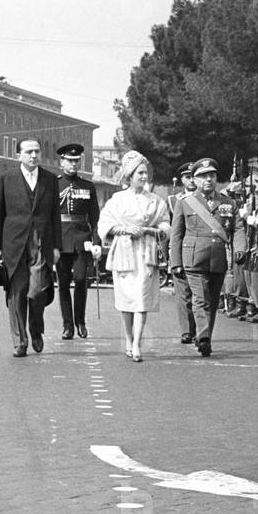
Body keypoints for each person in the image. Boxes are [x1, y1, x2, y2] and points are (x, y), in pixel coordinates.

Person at [0, 139, 62, 357]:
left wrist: (57, 246)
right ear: (18, 155)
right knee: (16, 293)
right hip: (13, 245)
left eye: (37, 151)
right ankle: (20, 341)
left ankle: (36, 328)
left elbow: (55, 217)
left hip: (41, 243)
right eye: (29, 152)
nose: (34, 155)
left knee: (38, 291)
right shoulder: (6, 179)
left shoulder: (50, 179)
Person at [98, 151, 171, 362]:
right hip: (124, 252)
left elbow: (165, 224)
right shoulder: (117, 200)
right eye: (139, 173)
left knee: (141, 298)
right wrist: (125, 230)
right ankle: (128, 338)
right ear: (129, 176)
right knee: (126, 300)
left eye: (145, 172)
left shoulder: (156, 201)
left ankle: (138, 343)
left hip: (146, 253)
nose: (144, 176)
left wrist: (154, 231)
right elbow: (104, 225)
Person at [170, 157, 237, 357]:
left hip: (217, 258)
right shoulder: (185, 203)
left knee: (213, 301)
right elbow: (176, 235)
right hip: (194, 258)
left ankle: (205, 334)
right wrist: (175, 263)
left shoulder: (227, 202)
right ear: (195, 180)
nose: (208, 179)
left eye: (212, 175)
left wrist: (240, 249)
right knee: (200, 299)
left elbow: (238, 228)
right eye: (203, 176)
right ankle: (204, 336)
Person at [55, 143, 101, 340]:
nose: (73, 164)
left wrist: (96, 241)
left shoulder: (88, 186)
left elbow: (95, 218)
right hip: (61, 239)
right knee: (63, 284)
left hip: (82, 239)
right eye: (69, 161)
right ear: (61, 162)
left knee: (82, 280)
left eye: (76, 161)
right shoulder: (53, 184)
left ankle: (80, 321)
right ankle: (67, 326)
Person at [168, 162, 198, 343]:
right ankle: (187, 330)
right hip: (181, 250)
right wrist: (171, 258)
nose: (191, 180)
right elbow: (171, 232)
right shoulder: (174, 201)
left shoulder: (207, 200)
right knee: (183, 293)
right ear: (182, 180)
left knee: (201, 294)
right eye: (187, 177)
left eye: (194, 176)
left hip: (201, 251)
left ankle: (200, 329)